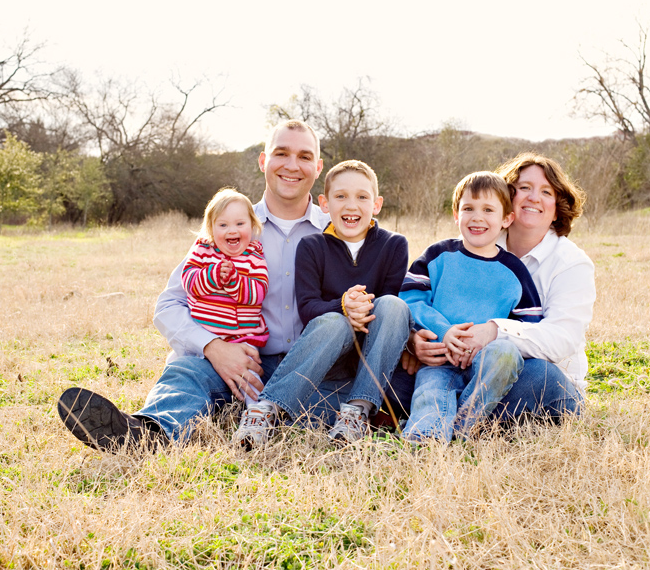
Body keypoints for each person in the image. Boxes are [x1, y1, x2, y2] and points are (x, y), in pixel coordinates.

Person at [57, 119, 329, 451]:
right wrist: (214, 348)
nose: (291, 165)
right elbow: (169, 307)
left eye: (304, 156)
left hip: (311, 366)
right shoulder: (230, 226)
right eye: (281, 153)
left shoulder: (336, 230)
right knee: (188, 373)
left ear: (318, 167)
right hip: (243, 358)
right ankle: (146, 434)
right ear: (263, 161)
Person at [402, 153, 595, 425]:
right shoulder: (475, 241)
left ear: (558, 204)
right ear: (508, 198)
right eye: (524, 188)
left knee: (542, 376)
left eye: (546, 191)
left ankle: (452, 417)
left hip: (525, 374)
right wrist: (416, 342)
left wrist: (494, 331)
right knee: (411, 374)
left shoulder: (572, 263)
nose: (534, 198)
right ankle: (450, 420)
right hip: (449, 364)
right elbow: (424, 299)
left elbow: (562, 340)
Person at [232, 160, 410, 447]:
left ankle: (357, 413)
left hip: (370, 370)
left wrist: (361, 308)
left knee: (394, 306)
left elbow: (391, 321)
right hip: (325, 367)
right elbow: (308, 308)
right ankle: (266, 410)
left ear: (376, 204)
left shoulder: (393, 245)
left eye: (362, 197)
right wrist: (343, 306)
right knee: (333, 321)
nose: (351, 206)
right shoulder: (312, 247)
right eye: (341, 196)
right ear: (325, 204)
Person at [399, 171, 542, 442]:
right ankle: (425, 438)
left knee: (506, 352)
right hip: (439, 360)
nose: (477, 217)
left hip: (485, 364)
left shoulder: (514, 271)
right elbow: (411, 299)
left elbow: (529, 325)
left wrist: (491, 337)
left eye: (488, 209)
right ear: (456, 214)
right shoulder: (438, 255)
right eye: (468, 208)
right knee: (430, 395)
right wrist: (444, 331)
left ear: (506, 219)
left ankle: (466, 426)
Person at [182, 188, 268, 404]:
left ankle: (255, 414)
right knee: (179, 369)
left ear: (252, 225)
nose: (232, 230)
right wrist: (212, 275)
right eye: (223, 225)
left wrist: (234, 282)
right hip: (204, 337)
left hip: (242, 340)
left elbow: (258, 293)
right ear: (211, 229)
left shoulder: (254, 255)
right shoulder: (203, 250)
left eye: (240, 224)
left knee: (251, 380)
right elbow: (189, 281)